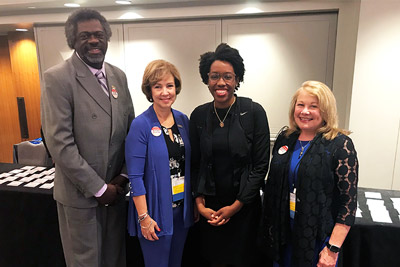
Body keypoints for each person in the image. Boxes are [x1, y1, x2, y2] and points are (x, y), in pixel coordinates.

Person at [41, 8, 135, 267]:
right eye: (85, 36)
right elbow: (60, 144)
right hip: (81, 197)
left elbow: (131, 132)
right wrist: (98, 188)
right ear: (73, 41)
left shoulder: (118, 76)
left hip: (115, 193)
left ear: (106, 37)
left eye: (98, 34)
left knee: (115, 260)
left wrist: (123, 177)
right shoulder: (57, 78)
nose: (94, 41)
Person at [262, 81, 359, 267]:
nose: (305, 111)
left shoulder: (339, 145)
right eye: (301, 105)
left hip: (317, 239)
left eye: (313, 106)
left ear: (326, 111)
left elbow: (348, 202)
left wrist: (333, 249)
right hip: (283, 235)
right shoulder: (286, 138)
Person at [190, 43, 270, 266]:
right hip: (209, 208)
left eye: (228, 76)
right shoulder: (198, 116)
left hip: (244, 207)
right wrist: (199, 205)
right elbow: (195, 163)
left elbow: (260, 165)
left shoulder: (254, 112)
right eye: (214, 76)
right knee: (210, 259)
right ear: (207, 79)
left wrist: (236, 206)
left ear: (237, 79)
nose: (221, 83)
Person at [125, 59, 194, 267]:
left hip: (181, 212)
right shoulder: (141, 125)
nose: (165, 92)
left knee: (176, 263)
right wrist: (144, 218)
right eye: (158, 86)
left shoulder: (183, 121)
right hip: (154, 212)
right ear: (150, 90)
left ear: (176, 88)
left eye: (169, 86)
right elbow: (135, 177)